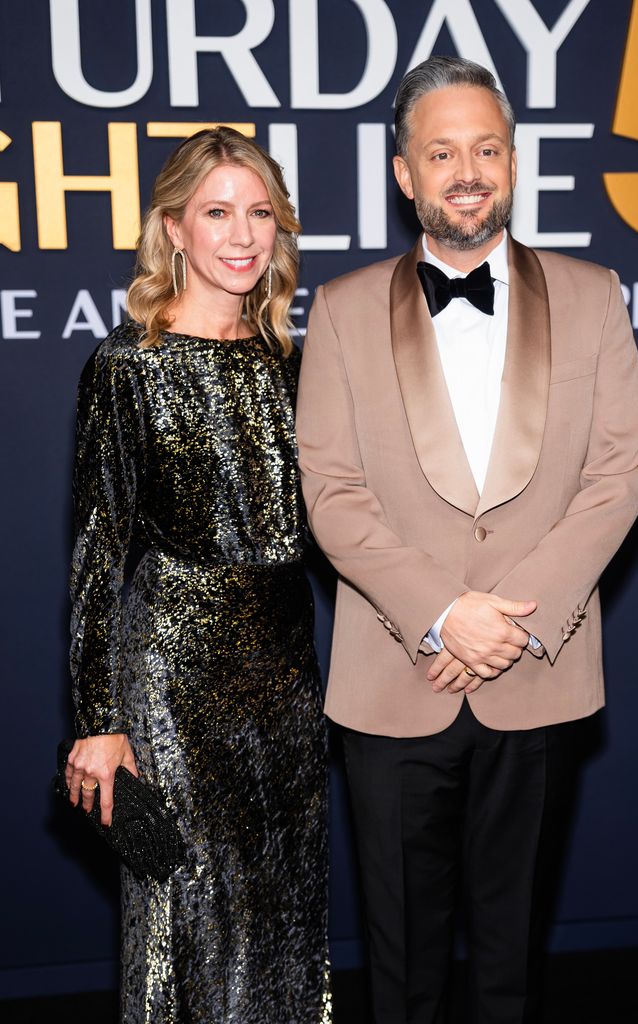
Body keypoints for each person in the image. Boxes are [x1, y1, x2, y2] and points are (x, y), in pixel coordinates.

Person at [296, 57, 638, 1024]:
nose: (467, 170)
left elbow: (619, 471)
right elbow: (330, 492)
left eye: (486, 149)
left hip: (539, 671)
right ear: (405, 173)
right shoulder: (338, 311)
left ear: (513, 162)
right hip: (394, 679)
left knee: (512, 957)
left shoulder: (593, 293)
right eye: (442, 151)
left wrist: (513, 624)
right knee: (402, 963)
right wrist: (446, 616)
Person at [64, 126, 332, 1024]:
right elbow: (97, 554)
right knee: (188, 904)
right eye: (217, 212)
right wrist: (100, 724)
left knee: (282, 904)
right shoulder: (125, 367)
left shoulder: (292, 364)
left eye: (260, 213)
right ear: (173, 228)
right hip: (174, 679)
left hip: (287, 676)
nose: (243, 235)